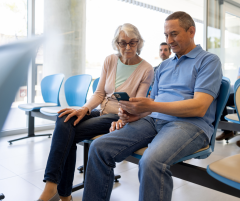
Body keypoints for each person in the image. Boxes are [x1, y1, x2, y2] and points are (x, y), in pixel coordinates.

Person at [83, 11, 222, 201]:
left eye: (174, 33)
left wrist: (153, 107)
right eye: (166, 35)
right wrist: (135, 115)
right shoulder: (164, 67)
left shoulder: (208, 61)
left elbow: (199, 107)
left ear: (191, 31)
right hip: (154, 120)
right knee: (99, 147)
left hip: (190, 125)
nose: (169, 40)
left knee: (152, 161)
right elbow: (152, 106)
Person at [37, 23, 154, 201]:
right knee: (64, 118)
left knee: (68, 133)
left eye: (133, 42)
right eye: (123, 43)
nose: (128, 47)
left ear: (139, 43)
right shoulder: (110, 60)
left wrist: (125, 116)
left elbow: (137, 105)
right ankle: (54, 187)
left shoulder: (146, 69)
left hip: (118, 117)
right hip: (101, 112)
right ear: (116, 43)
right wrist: (84, 109)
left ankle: (60, 192)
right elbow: (99, 93)